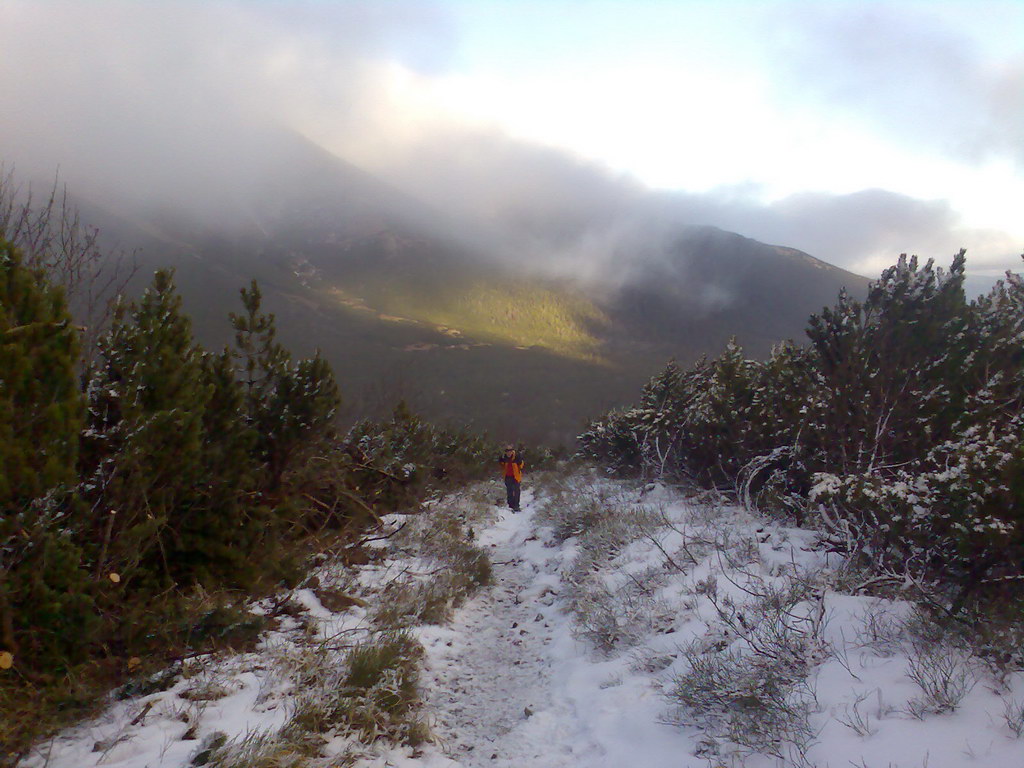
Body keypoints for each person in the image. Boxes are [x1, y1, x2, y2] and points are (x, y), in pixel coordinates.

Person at [498, 445, 524, 512]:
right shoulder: (504, 458)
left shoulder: (517, 457)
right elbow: (502, 465)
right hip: (508, 476)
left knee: (516, 491)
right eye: (507, 451)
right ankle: (511, 505)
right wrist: (500, 460)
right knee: (509, 491)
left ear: (512, 451)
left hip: (516, 477)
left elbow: (521, 466)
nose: (508, 453)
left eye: (510, 451)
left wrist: (520, 462)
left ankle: (516, 506)